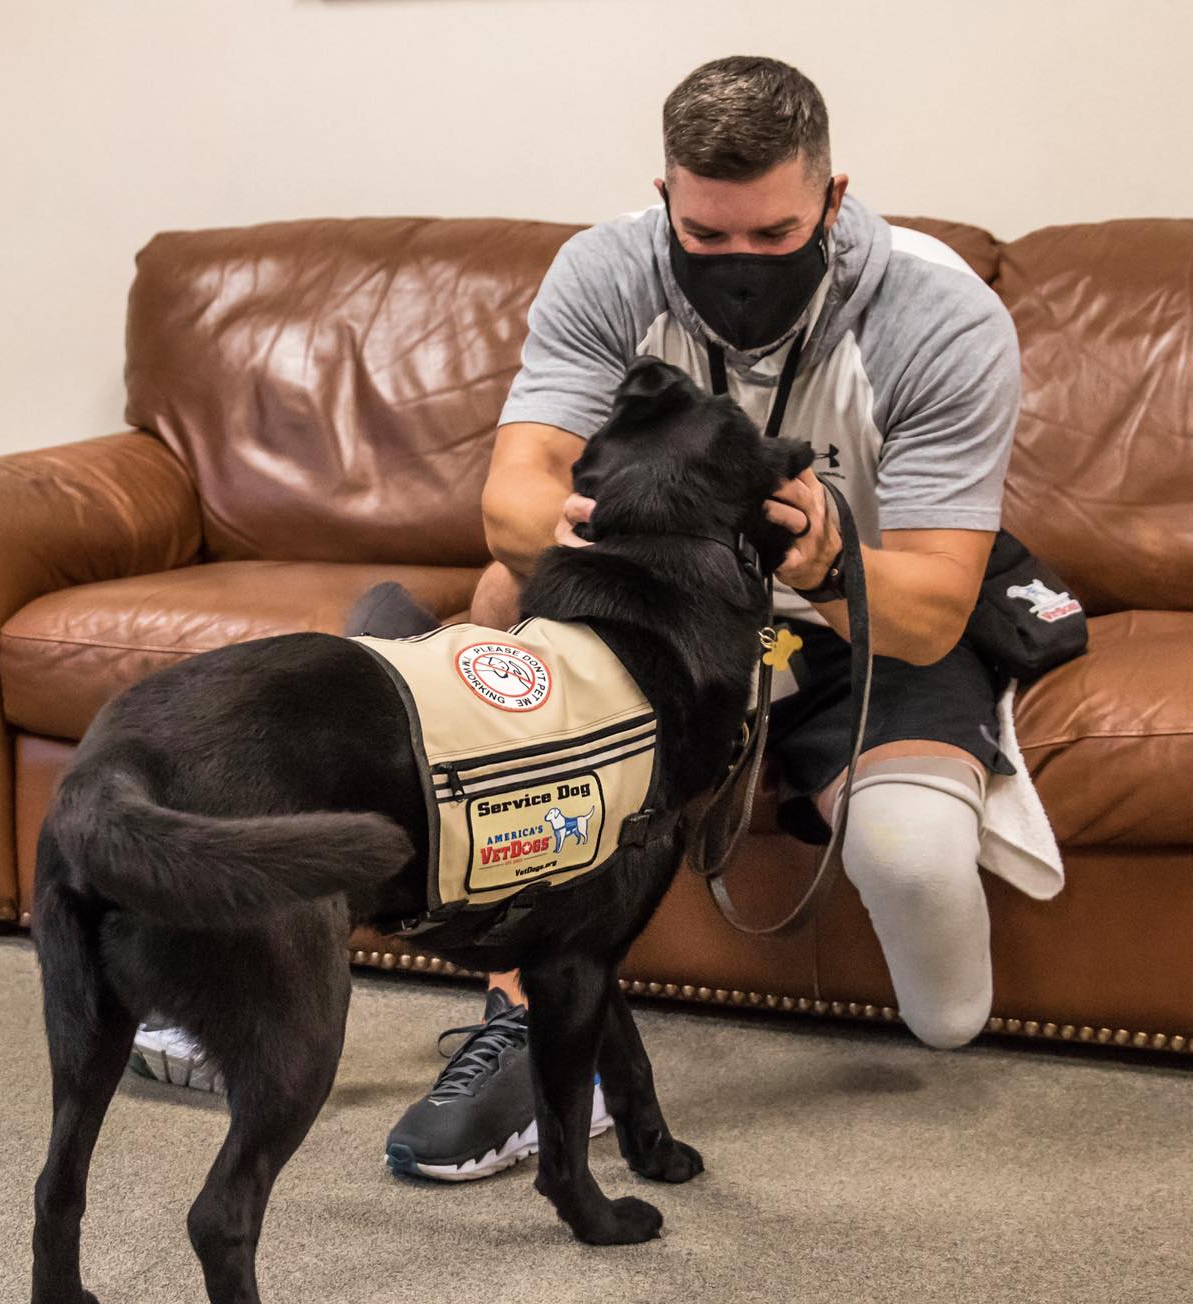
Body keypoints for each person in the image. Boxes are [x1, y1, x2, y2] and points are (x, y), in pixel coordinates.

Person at [377, 54, 1022, 1181]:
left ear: (833, 197)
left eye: (773, 239)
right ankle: (532, 1029)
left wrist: (822, 562)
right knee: (499, 609)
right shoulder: (609, 267)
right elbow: (512, 504)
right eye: (707, 237)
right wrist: (632, 541)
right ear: (668, 195)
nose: (737, 267)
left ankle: (395, 660)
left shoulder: (939, 313)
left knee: (929, 924)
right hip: (665, 611)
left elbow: (927, 615)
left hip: (842, 618)